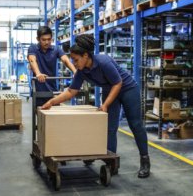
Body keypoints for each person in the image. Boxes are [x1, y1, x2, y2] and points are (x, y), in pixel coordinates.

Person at [41, 34, 150, 178]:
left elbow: (118, 83)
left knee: (135, 125)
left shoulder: (103, 62)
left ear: (85, 55)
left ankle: (145, 160)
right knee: (110, 128)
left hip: (127, 89)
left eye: (76, 59)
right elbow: (71, 91)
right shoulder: (81, 71)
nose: (74, 63)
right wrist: (52, 102)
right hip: (109, 91)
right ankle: (112, 164)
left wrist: (105, 104)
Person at [27, 26, 77, 107]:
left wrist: (75, 72)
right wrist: (38, 73)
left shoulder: (56, 49)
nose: (47, 42)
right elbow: (32, 61)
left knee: (54, 117)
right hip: (39, 91)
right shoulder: (33, 49)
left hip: (53, 91)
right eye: (43, 40)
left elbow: (65, 60)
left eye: (49, 39)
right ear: (38, 39)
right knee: (41, 117)